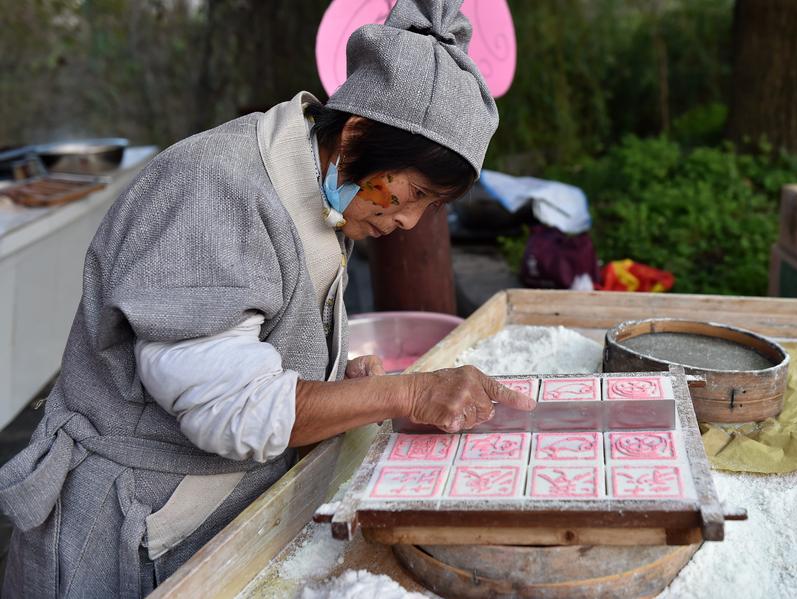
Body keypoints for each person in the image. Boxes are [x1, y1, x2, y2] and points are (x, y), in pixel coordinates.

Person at [0, 0, 535, 596]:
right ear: (355, 134)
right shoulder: (211, 189)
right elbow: (231, 409)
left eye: (429, 207)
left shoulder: (324, 185)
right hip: (131, 531)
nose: (408, 221)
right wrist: (403, 392)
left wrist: (343, 384)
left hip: (218, 513)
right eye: (407, 194)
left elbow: (257, 334)